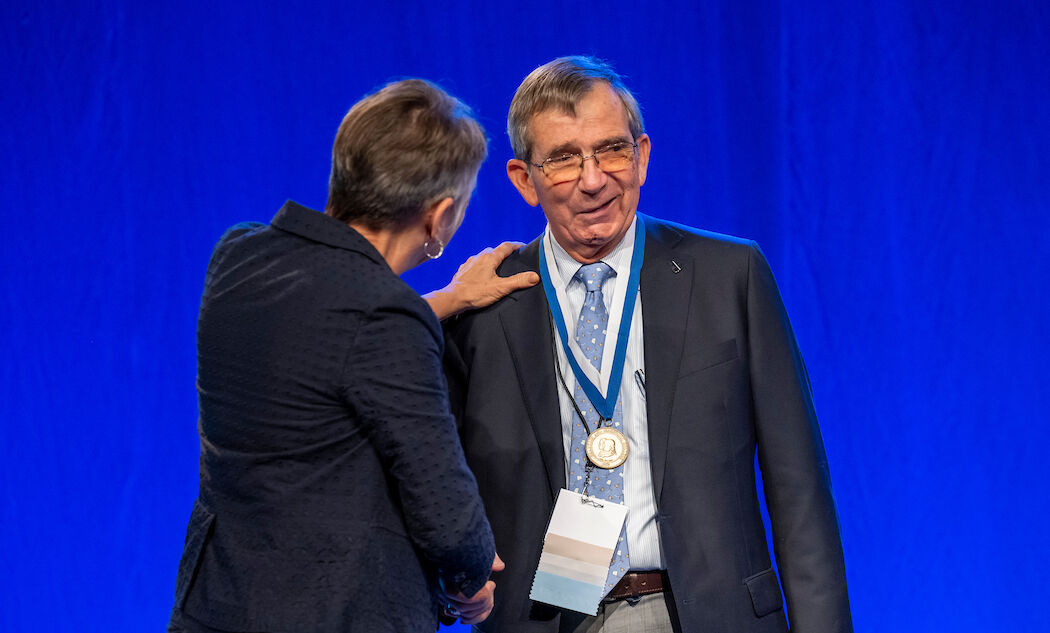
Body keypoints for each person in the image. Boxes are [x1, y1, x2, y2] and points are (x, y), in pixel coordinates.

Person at [443, 57, 852, 632]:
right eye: (563, 159)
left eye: (612, 149)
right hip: (553, 616)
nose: (593, 179)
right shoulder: (485, 306)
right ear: (522, 179)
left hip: (710, 616)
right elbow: (433, 475)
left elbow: (799, 490)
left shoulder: (729, 275)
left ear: (642, 157)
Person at [167, 79, 538, 633]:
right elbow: (443, 504)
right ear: (438, 217)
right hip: (330, 609)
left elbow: (320, 334)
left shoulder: (239, 256)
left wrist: (448, 299)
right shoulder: (381, 315)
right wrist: (472, 574)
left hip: (217, 605)